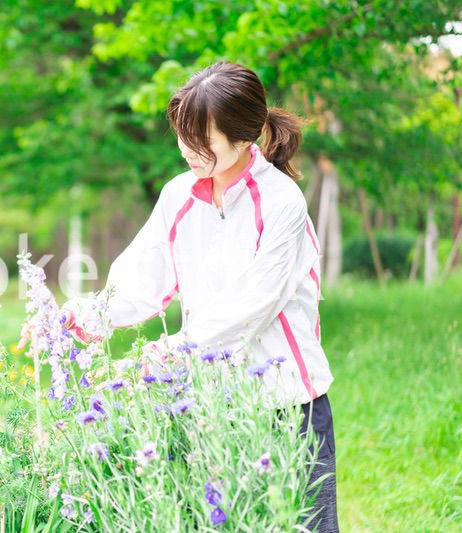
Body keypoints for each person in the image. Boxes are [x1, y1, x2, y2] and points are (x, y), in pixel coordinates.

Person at [54, 61, 338, 531]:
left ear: (244, 137)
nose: (187, 149)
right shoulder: (177, 196)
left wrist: (166, 353)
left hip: (290, 408)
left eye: (201, 139)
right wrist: (79, 316)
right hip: (212, 407)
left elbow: (251, 307)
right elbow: (143, 276)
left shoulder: (282, 202)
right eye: (182, 134)